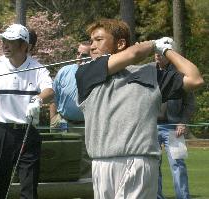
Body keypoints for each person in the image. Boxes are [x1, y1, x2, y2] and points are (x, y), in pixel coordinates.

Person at [75, 19, 204, 198]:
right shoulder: (86, 72)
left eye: (99, 40)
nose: (92, 46)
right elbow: (135, 53)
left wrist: (165, 49)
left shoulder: (151, 75)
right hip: (100, 163)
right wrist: (152, 44)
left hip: (139, 161)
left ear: (120, 44)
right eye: (91, 41)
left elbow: (195, 78)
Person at [0, 24, 54, 199]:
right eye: (4, 41)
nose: (5, 45)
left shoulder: (37, 69)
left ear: (24, 46)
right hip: (1, 133)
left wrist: (38, 99)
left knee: (29, 188)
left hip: (27, 133)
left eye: (11, 41)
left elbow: (50, 91)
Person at [49, 42, 91, 178]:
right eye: (77, 53)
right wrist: (53, 118)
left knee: (85, 163)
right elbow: (53, 96)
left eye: (84, 55)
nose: (79, 57)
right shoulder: (64, 71)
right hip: (63, 123)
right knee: (61, 159)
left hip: (86, 126)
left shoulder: (97, 73)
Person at [155, 53, 194, 199]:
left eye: (161, 54)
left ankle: (183, 197)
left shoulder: (180, 75)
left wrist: (183, 122)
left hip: (173, 127)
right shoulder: (149, 73)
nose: (157, 56)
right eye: (156, 54)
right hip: (151, 128)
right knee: (153, 166)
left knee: (178, 165)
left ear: (169, 55)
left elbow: (189, 103)